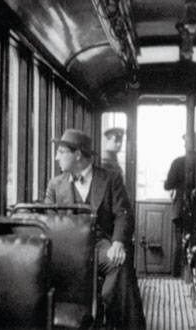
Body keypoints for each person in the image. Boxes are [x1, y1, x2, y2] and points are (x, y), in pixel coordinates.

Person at [45, 128, 146, 330]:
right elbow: (48, 222)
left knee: (119, 264)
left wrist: (118, 243)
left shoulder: (110, 179)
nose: (56, 158)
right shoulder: (55, 185)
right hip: (66, 248)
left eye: (60, 152)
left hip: (100, 245)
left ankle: (111, 312)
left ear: (78, 154)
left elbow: (123, 215)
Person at [164, 136, 186, 278]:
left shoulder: (178, 163)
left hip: (180, 208)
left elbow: (168, 185)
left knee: (179, 243)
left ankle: (176, 275)